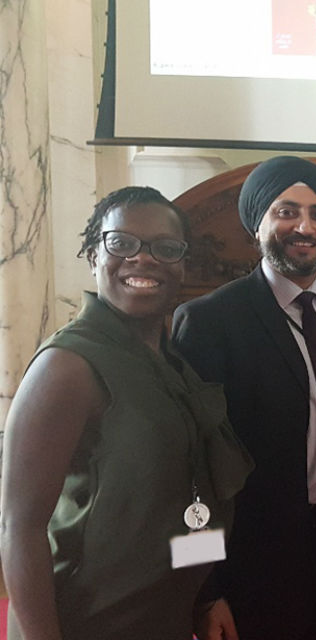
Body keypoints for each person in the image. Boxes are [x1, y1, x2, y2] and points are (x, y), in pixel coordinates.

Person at [0, 187, 253, 640]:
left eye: (165, 248)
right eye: (122, 243)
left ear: (182, 264)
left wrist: (203, 597)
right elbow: (20, 528)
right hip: (85, 623)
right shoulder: (66, 366)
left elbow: (187, 499)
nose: (143, 258)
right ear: (94, 255)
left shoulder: (173, 364)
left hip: (161, 618)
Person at [172, 156, 316, 640]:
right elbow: (188, 468)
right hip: (249, 556)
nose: (304, 226)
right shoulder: (210, 321)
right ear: (257, 225)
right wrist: (204, 589)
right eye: (286, 211)